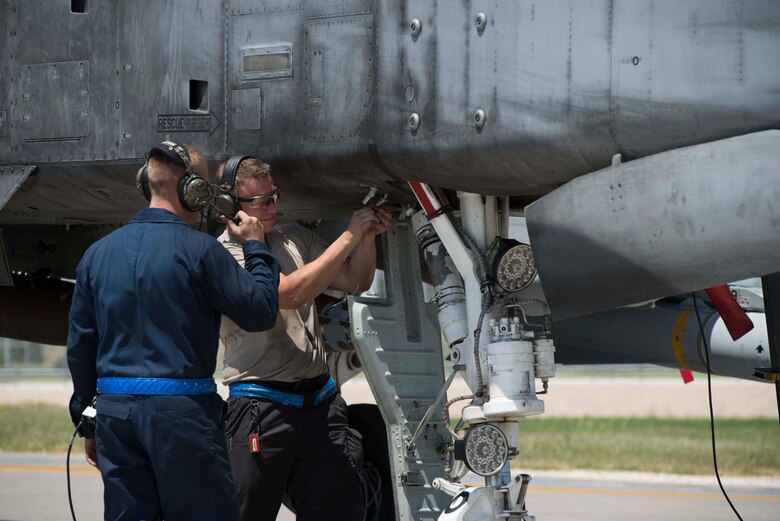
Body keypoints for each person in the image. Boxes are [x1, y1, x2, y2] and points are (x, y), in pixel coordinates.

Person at [67, 142, 281, 521]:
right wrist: (256, 248)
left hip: (115, 416)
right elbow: (261, 312)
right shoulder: (201, 251)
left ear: (144, 184)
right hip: (182, 417)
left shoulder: (96, 254)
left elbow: (81, 348)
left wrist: (88, 422)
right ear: (194, 189)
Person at [215, 156, 391, 521]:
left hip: (319, 406)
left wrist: (368, 238)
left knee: (339, 511)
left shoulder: (294, 237)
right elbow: (288, 294)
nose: (272, 207)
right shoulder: (225, 254)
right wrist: (349, 235)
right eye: (261, 202)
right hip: (261, 408)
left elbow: (356, 281)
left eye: (274, 196)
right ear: (232, 208)